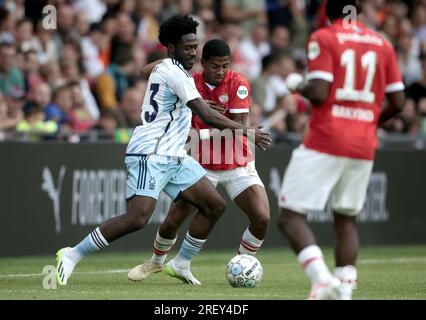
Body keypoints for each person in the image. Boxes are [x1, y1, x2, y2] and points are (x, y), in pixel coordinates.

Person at [55, 15, 271, 286]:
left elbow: (147, 71)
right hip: (151, 152)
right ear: (171, 47)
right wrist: (247, 132)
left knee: (214, 205)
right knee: (137, 219)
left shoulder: (171, 68)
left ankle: (180, 264)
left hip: (175, 155)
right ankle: (72, 254)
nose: (193, 52)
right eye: (187, 48)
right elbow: (206, 114)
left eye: (195, 46)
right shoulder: (175, 73)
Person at [277, 0, 405, 300]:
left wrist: (299, 85)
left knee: (290, 216)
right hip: (363, 143)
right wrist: (371, 121)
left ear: (325, 11)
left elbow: (320, 92)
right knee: (345, 220)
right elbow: (398, 102)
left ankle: (322, 280)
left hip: (327, 138)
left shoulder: (323, 37)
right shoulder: (381, 42)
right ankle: (344, 291)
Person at [127, 39, 270, 284]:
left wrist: (205, 117)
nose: (221, 71)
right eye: (215, 66)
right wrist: (172, 61)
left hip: (237, 162)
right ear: (202, 64)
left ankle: (242, 265)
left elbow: (236, 130)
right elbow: (144, 72)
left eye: (225, 66)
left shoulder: (239, 84)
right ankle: (156, 262)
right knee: (174, 219)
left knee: (262, 218)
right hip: (200, 163)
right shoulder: (187, 81)